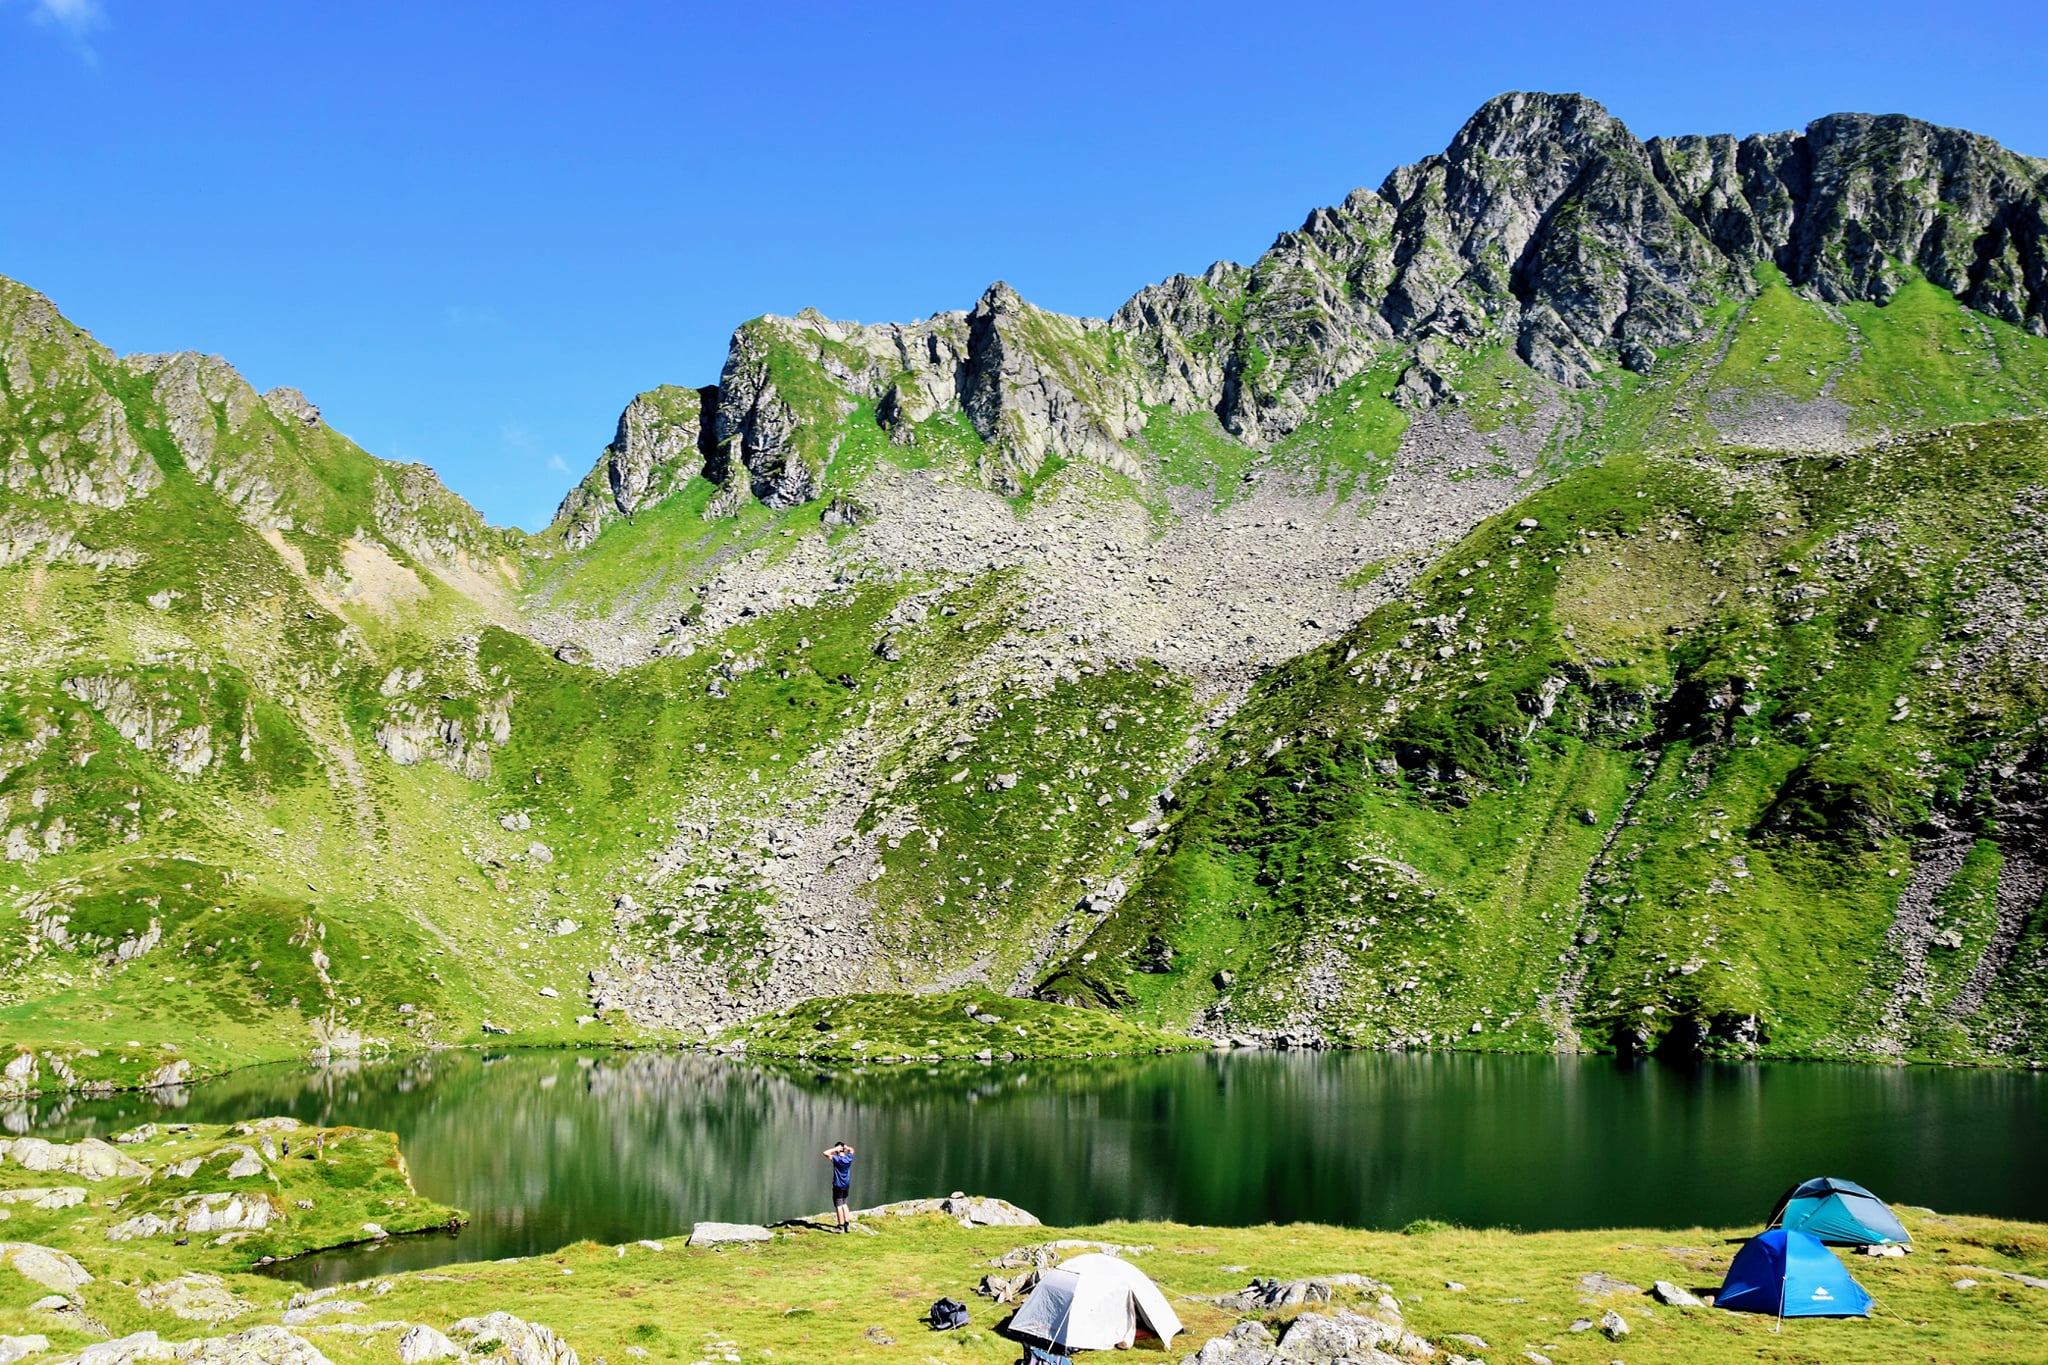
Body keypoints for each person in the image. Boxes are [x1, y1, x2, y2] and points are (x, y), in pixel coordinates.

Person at [823, 1140, 856, 1232]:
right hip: (846, 1185)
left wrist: (835, 1149)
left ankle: (840, 1226)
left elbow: (825, 1153)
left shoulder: (837, 1159)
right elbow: (852, 1150)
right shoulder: (848, 1158)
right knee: (844, 1204)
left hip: (838, 1185)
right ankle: (847, 1224)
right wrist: (846, 1147)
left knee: (838, 1205)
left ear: (838, 1151)